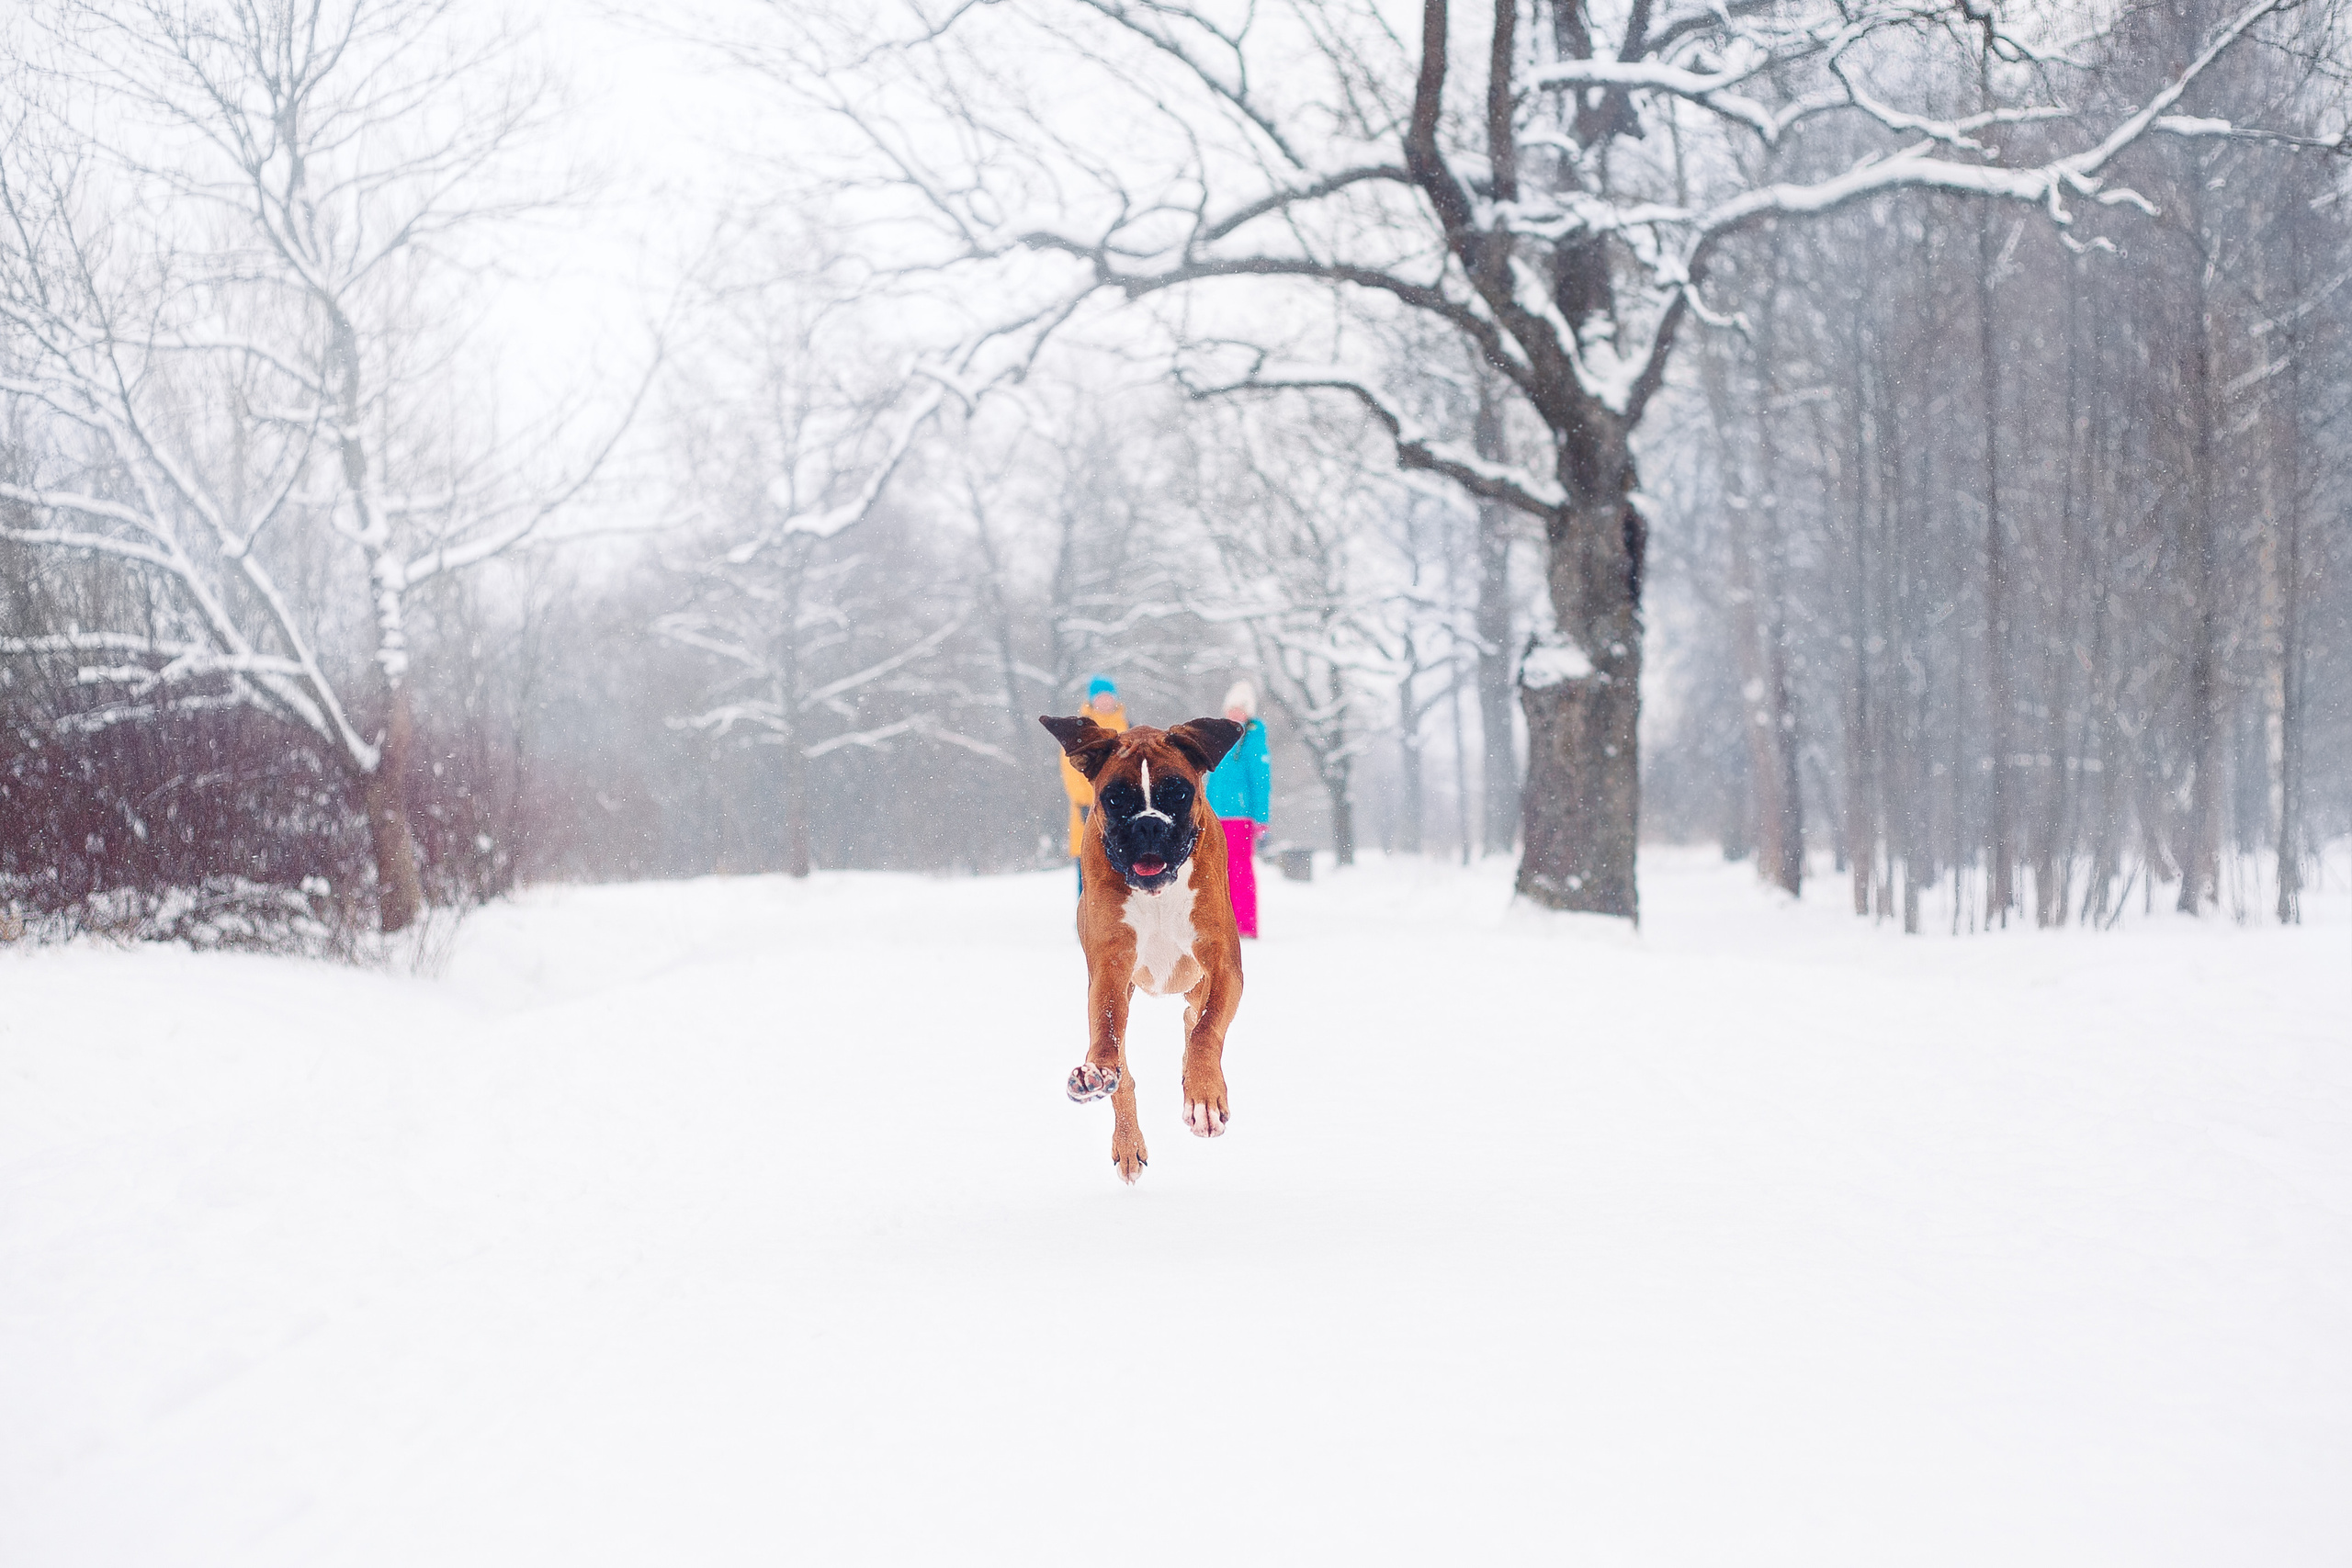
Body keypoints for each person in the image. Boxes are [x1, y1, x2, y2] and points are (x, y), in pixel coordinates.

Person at [1204, 680, 1271, 938]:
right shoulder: (1219, 738)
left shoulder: (1253, 740)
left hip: (1240, 817)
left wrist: (1261, 817)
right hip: (1216, 815)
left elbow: (1261, 782)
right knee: (1216, 869)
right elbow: (1212, 780)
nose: (1235, 713)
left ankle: (1245, 923)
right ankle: (1222, 923)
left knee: (1240, 869)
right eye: (1232, 708)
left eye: (1241, 709)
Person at [1061, 674, 1127, 894]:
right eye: (1100, 696)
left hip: (1125, 813)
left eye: (1109, 696)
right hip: (1089, 812)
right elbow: (1072, 773)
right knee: (1091, 881)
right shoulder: (1079, 731)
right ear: (1092, 699)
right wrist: (1095, 802)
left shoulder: (1128, 727)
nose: (1105, 701)